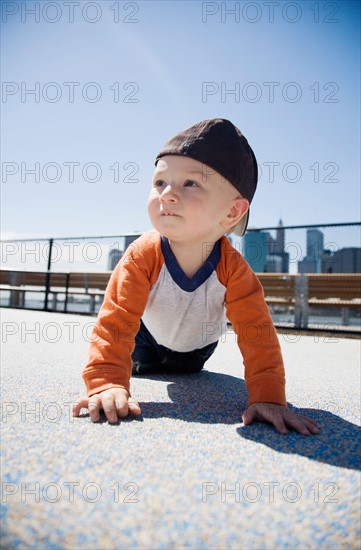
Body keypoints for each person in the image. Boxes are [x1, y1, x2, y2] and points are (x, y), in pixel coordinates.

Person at [73, 118, 320, 436]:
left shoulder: (234, 269)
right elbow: (117, 319)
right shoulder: (143, 253)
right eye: (160, 182)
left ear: (232, 213)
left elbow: (256, 334)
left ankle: (169, 362)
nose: (167, 194)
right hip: (145, 338)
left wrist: (269, 397)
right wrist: (106, 380)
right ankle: (143, 363)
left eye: (190, 184)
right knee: (142, 361)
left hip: (196, 352)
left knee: (187, 372)